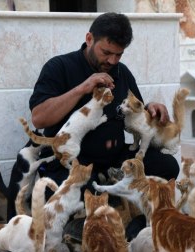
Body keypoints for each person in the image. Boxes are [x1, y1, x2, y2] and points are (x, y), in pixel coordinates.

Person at [29, 12, 179, 199]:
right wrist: (82, 88)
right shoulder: (59, 66)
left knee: (167, 166)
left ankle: (126, 204)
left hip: (115, 160)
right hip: (73, 160)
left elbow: (137, 112)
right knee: (83, 194)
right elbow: (39, 118)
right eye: (106, 53)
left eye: (119, 54)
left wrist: (151, 107)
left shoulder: (121, 72)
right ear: (89, 39)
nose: (112, 61)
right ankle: (109, 200)